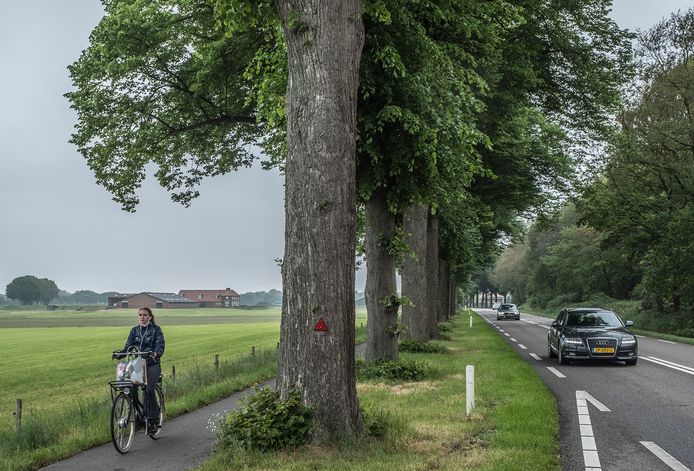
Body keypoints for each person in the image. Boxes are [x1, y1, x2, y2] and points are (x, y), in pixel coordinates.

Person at [114, 307, 165, 432]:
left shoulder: (156, 330)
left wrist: (156, 353)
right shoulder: (134, 330)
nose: (142, 317)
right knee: (129, 389)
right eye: (140, 315)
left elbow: (160, 345)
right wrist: (119, 354)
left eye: (145, 315)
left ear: (150, 317)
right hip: (137, 366)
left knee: (149, 390)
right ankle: (137, 416)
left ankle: (153, 420)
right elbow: (128, 347)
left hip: (152, 365)